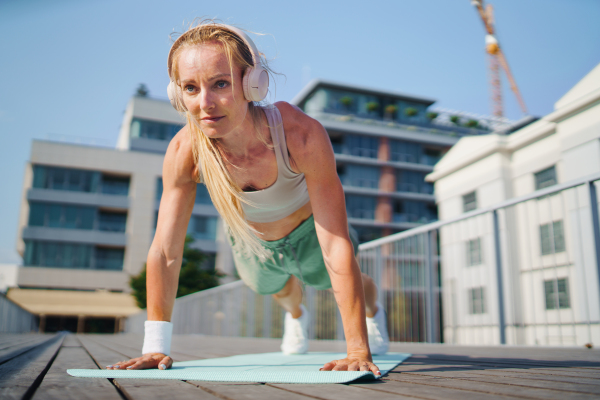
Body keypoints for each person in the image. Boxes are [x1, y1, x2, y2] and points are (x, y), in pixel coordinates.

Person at [105, 20, 389, 375]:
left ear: (252, 83)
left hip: (311, 234)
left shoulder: (299, 134)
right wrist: (154, 349)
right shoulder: (184, 151)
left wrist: (357, 350)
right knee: (277, 289)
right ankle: (297, 315)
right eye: (191, 88)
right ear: (178, 95)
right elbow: (165, 252)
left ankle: (374, 311)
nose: (205, 103)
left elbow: (334, 245)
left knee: (335, 280)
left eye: (220, 84)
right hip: (251, 240)